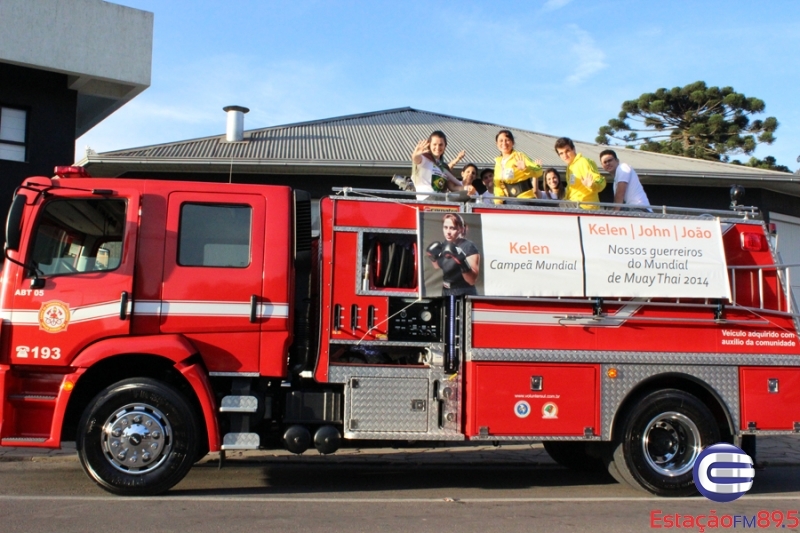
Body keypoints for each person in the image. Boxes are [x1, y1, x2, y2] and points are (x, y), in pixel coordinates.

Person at [425, 213, 480, 296]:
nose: (448, 232)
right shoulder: (445, 244)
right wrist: (432, 256)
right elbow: (437, 266)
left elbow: (471, 280)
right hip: (446, 291)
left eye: (452, 228)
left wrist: (462, 261)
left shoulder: (468, 246)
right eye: (445, 227)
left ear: (461, 229)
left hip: (463, 293)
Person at [554, 137, 605, 210]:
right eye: (561, 153)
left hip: (585, 207)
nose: (565, 155)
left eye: (567, 151)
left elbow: (600, 180)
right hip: (574, 204)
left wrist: (593, 185)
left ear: (574, 149)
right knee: (554, 205)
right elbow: (571, 189)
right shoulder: (570, 167)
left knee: (553, 207)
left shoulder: (583, 162)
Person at [493, 130, 542, 203]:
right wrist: (498, 203)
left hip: (524, 200)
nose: (504, 143)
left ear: (513, 142)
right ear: (497, 144)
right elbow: (497, 185)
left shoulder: (520, 156)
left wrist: (526, 169)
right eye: (501, 140)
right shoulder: (498, 163)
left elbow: (538, 171)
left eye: (507, 140)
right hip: (507, 202)